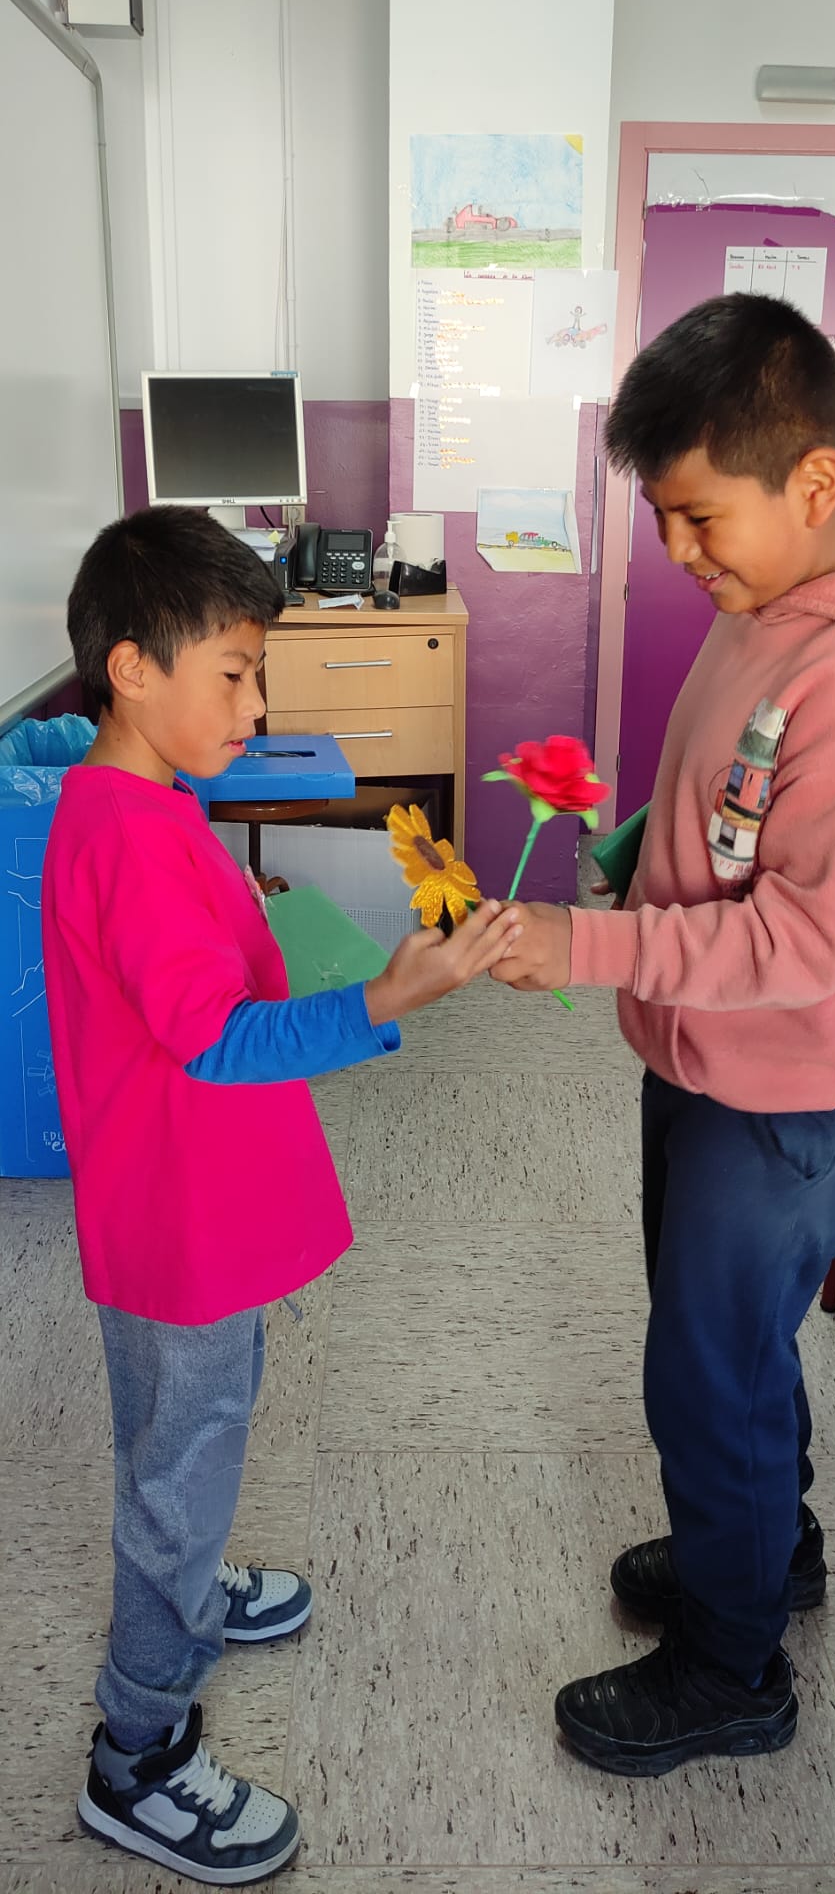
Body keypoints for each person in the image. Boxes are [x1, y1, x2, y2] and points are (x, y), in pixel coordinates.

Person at [41, 505, 521, 1884]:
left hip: (190, 1204)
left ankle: (192, 1591)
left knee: (194, 1422)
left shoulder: (142, 801)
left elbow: (198, 983)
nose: (258, 704)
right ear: (132, 670)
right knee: (179, 1465)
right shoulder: (131, 836)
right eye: (237, 673)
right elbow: (216, 1041)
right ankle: (138, 1751)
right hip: (178, 1221)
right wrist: (385, 998)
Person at [490, 293, 835, 1776]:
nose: (677, 551)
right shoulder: (770, 594)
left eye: (696, 516)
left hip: (796, 1083)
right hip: (706, 1051)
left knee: (708, 1369)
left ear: (814, 481)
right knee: (726, 1342)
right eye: (659, 517)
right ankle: (767, 1547)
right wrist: (632, 857)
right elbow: (733, 807)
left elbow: (805, 939)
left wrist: (585, 943)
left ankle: (732, 1672)